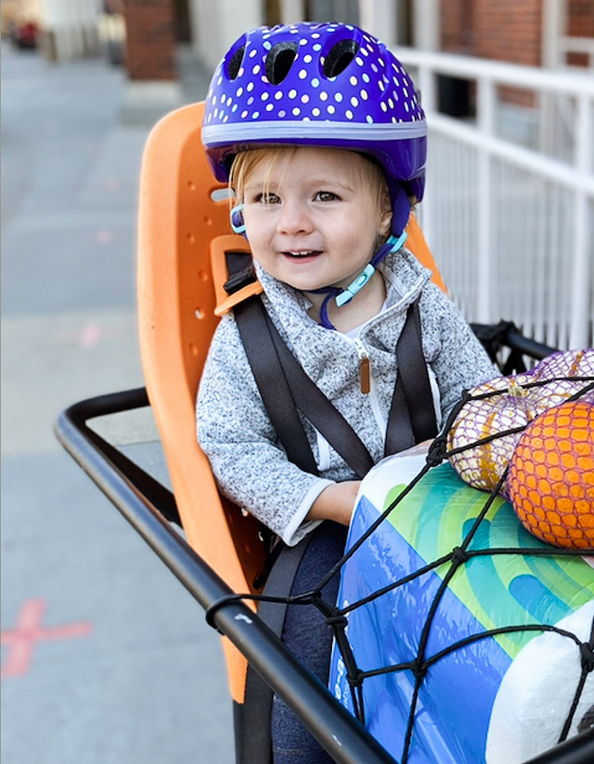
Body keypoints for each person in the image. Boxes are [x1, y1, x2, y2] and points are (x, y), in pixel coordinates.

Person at [195, 22, 498, 763]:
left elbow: (480, 389)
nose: (291, 223)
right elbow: (228, 441)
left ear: (390, 211)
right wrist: (332, 501)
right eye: (265, 197)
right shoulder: (248, 332)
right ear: (238, 209)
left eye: (324, 196)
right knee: (304, 680)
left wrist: (480, 442)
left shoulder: (422, 302)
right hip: (325, 535)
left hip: (435, 500)